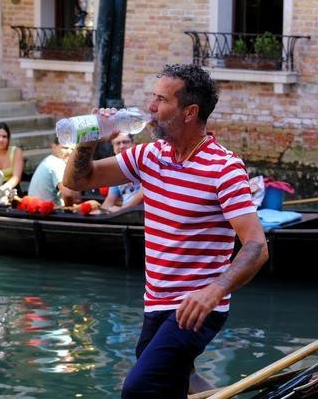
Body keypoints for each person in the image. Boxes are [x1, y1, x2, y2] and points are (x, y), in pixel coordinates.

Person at [63, 64, 268, 397]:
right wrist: (87, 142)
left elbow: (257, 246)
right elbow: (76, 182)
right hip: (155, 302)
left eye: (160, 100)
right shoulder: (149, 156)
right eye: (152, 98)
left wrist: (213, 291)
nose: (150, 108)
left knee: (138, 388)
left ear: (189, 112)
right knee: (179, 381)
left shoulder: (223, 168)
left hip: (197, 307)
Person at [27, 138, 79, 206]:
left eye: (73, 149)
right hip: (46, 212)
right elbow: (68, 194)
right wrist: (70, 210)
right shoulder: (57, 163)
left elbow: (76, 196)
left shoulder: (49, 160)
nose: (69, 152)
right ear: (54, 147)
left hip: (35, 209)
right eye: (65, 148)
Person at [101, 133, 143, 211]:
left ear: (133, 145)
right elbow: (109, 201)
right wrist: (99, 213)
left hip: (143, 214)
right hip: (127, 217)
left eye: (125, 142)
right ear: (113, 148)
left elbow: (143, 194)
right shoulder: (116, 173)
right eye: (117, 143)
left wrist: (121, 209)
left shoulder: (142, 164)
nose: (122, 146)